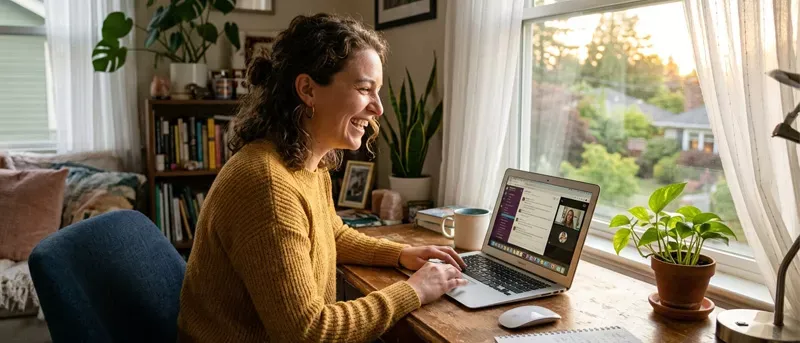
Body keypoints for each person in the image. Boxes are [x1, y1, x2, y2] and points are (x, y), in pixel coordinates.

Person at [177, 14, 468, 343]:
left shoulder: (307, 165)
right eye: (364, 89)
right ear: (308, 89)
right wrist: (414, 290)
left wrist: (400, 254)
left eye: (378, 91)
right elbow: (308, 332)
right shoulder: (267, 185)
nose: (378, 109)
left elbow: (332, 235)